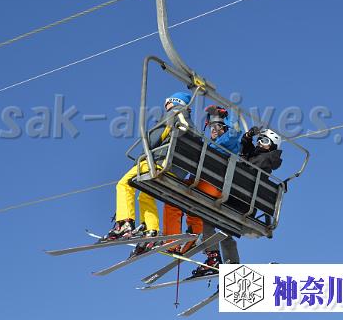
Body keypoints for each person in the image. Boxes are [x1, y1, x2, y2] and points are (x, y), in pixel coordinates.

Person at [104, 91, 193, 256]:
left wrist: (140, 159)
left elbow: (152, 140)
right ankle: (151, 231)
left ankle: (124, 223)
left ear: (175, 101)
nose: (165, 104)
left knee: (124, 184)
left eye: (168, 101)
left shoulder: (173, 114)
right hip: (177, 173)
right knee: (145, 196)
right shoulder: (191, 125)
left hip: (160, 163)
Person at [189, 104, 242, 277]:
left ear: (224, 128)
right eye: (211, 127)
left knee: (205, 218)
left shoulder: (228, 141)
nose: (213, 129)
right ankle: (225, 261)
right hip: (212, 188)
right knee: (219, 228)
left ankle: (211, 254)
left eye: (217, 126)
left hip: (219, 188)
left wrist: (228, 114)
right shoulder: (210, 145)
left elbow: (235, 131)